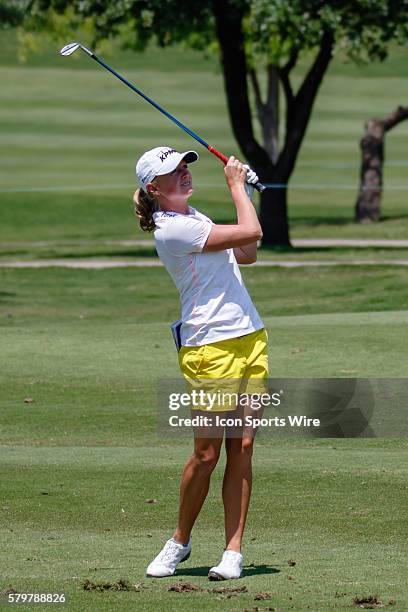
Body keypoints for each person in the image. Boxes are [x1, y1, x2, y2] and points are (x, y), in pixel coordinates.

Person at [133, 146, 268, 580]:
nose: (185, 174)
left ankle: (232, 552)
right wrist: (237, 187)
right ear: (155, 187)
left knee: (242, 448)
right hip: (209, 347)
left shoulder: (198, 218)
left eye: (186, 166)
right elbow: (253, 231)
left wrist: (244, 191)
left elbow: (247, 251)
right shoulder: (171, 231)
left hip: (249, 337)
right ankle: (179, 542)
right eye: (175, 171)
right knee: (207, 454)